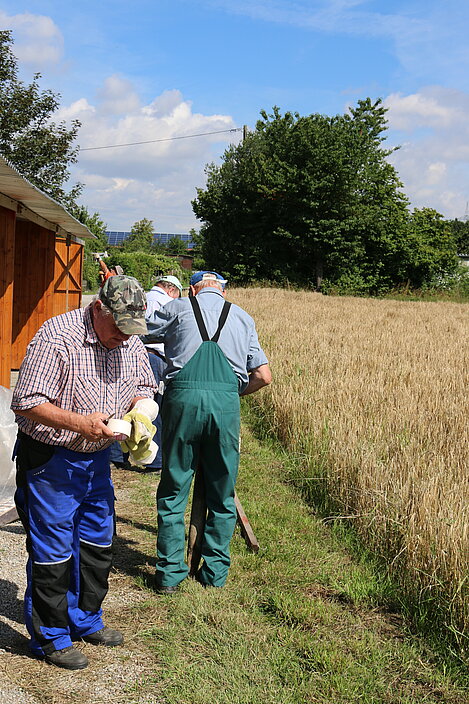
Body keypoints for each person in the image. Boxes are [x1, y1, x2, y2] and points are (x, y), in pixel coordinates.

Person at [11, 275, 157, 670]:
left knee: (97, 541)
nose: (124, 337)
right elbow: (26, 401)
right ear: (98, 309)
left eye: (132, 330)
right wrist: (80, 424)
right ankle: (51, 638)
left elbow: (144, 386)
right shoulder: (58, 336)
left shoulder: (129, 340)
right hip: (52, 458)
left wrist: (141, 414)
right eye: (119, 328)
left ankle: (85, 620)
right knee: (53, 551)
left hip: (96, 458)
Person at [142, 270, 272, 593]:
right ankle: (214, 574)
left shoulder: (177, 307)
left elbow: (138, 331)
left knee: (174, 488)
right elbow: (264, 376)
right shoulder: (243, 317)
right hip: (225, 406)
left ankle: (170, 574)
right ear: (224, 291)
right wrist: (231, 394)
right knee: (222, 492)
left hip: (182, 403)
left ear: (191, 289)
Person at [109, 274, 183, 471]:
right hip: (153, 357)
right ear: (172, 289)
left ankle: (117, 455)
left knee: (122, 401)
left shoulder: (144, 297)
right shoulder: (168, 303)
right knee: (150, 407)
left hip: (130, 352)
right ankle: (153, 460)